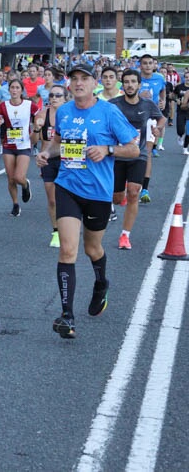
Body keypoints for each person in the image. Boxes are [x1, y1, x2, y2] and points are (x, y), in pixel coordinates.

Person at [35, 62, 139, 339]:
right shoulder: (65, 111)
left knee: (93, 248)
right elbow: (58, 142)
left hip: (98, 193)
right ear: (69, 84)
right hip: (68, 186)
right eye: (74, 79)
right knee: (68, 250)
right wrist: (47, 153)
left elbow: (133, 147)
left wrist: (107, 149)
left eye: (84, 79)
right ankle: (67, 315)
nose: (79, 83)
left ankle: (101, 283)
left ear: (94, 84)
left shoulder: (108, 112)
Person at [109, 69, 163, 250]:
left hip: (138, 155)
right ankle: (120, 195)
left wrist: (157, 129)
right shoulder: (113, 104)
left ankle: (125, 235)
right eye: (126, 82)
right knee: (117, 199)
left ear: (139, 85)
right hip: (117, 156)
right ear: (122, 85)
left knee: (134, 192)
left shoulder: (147, 105)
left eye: (133, 82)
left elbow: (161, 119)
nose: (130, 85)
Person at [0, 79, 41, 217]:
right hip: (8, 144)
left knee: (19, 177)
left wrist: (37, 124)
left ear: (21, 90)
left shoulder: (29, 105)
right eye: (12, 88)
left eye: (17, 88)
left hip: (24, 144)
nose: (14, 90)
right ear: (9, 90)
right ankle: (15, 204)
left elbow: (39, 115)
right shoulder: (3, 106)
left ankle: (25, 185)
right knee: (11, 178)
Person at [33, 84, 67, 248]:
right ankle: (56, 231)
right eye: (51, 95)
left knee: (68, 197)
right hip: (48, 159)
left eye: (58, 95)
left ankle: (69, 227)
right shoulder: (42, 114)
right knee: (52, 199)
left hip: (68, 158)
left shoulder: (70, 115)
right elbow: (33, 141)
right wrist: (36, 128)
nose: (54, 98)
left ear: (65, 98)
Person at [137, 54, 166, 201]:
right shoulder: (135, 78)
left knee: (147, 152)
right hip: (134, 119)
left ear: (154, 65)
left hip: (151, 119)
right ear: (140, 65)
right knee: (131, 152)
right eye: (145, 63)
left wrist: (163, 102)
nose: (148, 66)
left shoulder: (159, 78)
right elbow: (125, 93)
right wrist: (139, 94)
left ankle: (145, 189)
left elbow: (163, 91)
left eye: (150, 63)